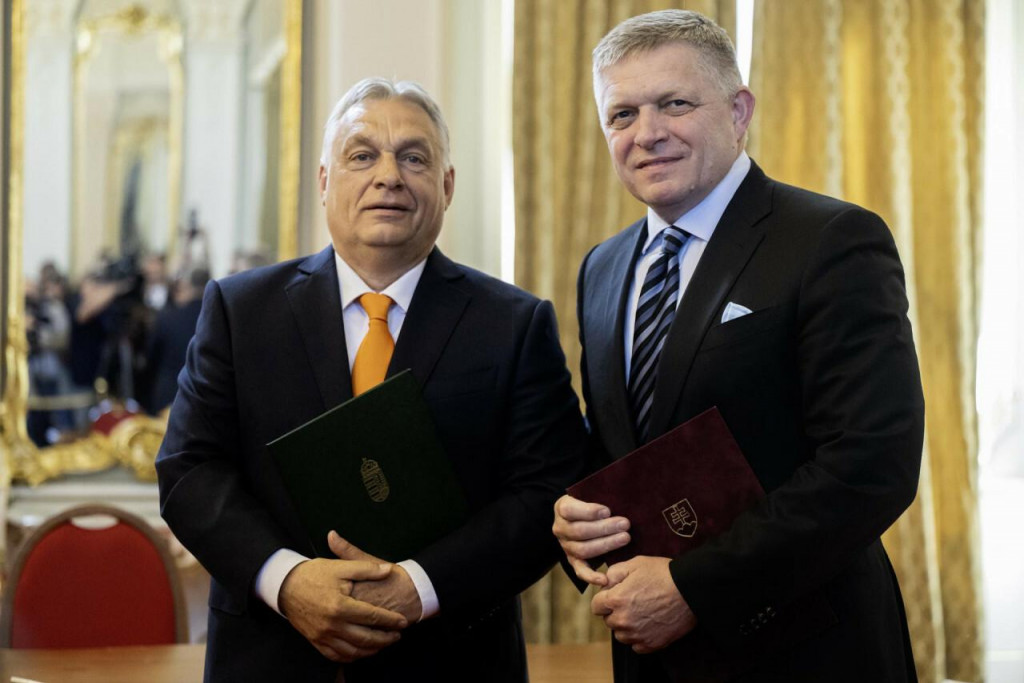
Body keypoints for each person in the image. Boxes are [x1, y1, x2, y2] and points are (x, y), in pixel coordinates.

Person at [157, 78, 586, 682]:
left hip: (451, 663)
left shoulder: (514, 324)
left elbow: (548, 491)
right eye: (362, 155)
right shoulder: (240, 311)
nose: (389, 176)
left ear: (447, 185)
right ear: (324, 180)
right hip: (271, 659)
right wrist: (288, 580)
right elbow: (189, 470)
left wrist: (419, 587)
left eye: (414, 158)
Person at [552, 10, 924, 683]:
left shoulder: (832, 240)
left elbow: (871, 464)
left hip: (807, 652)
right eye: (622, 114)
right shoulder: (600, 269)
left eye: (675, 103)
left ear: (738, 111)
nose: (647, 132)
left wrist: (695, 588)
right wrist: (576, 518)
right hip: (652, 658)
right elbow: (619, 448)